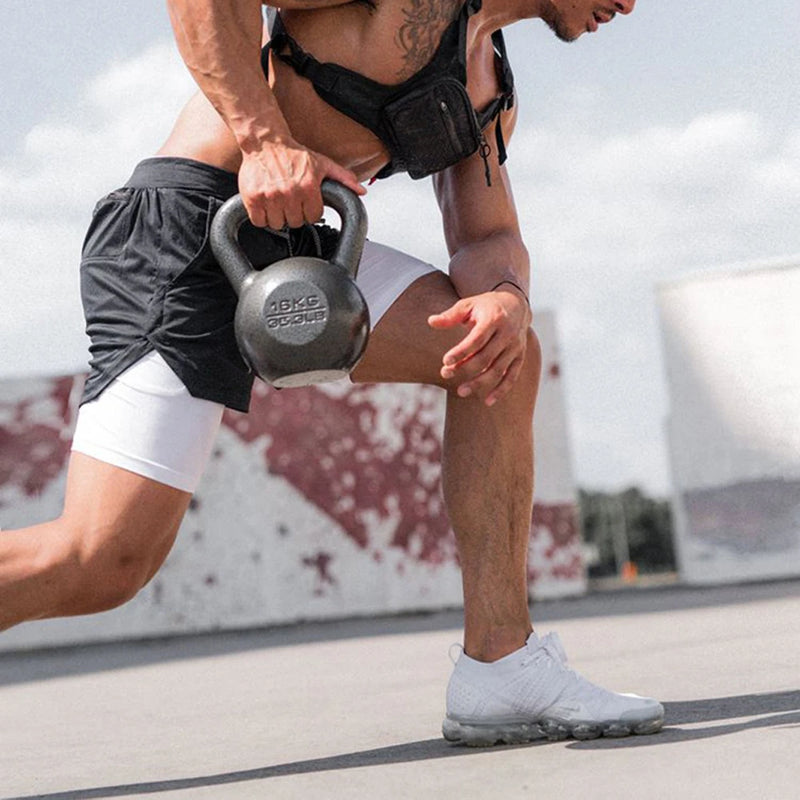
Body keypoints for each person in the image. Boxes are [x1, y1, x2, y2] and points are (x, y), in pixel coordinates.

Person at [1, 0, 664, 745]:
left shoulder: (485, 83)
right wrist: (261, 139)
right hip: (187, 227)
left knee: (498, 352)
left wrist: (506, 297)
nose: (631, 5)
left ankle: (502, 667)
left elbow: (488, 235)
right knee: (100, 561)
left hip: (299, 248)